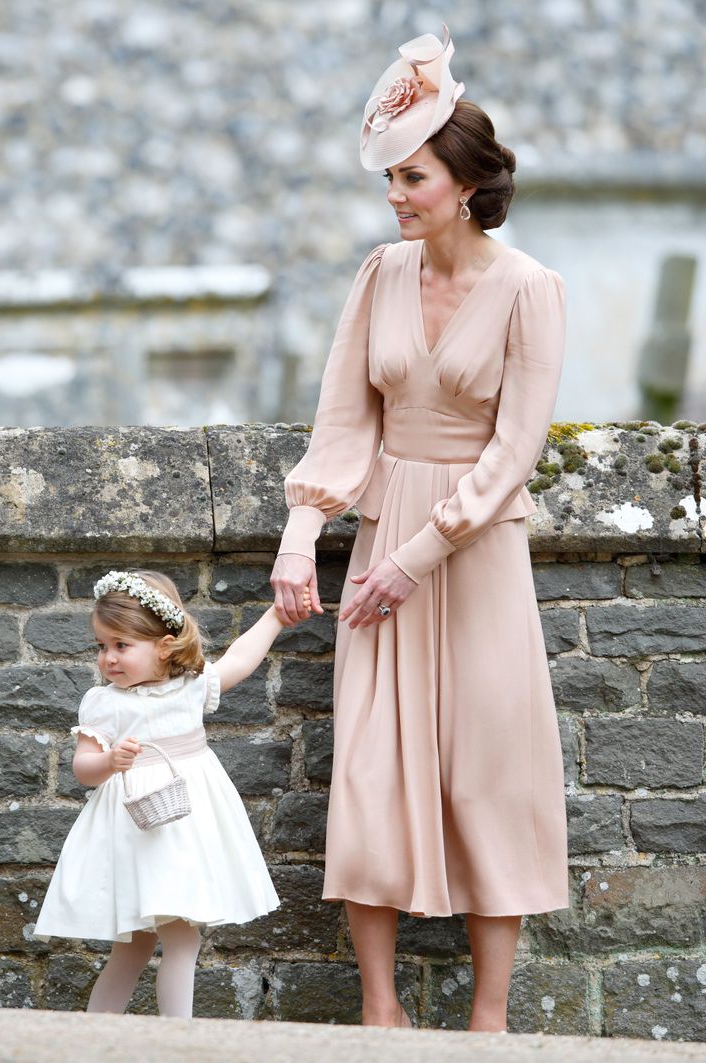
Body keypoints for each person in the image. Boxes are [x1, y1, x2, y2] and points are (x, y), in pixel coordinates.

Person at [270, 27, 569, 1032]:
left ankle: (489, 1020)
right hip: (385, 520)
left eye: (413, 177)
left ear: (468, 182)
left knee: (490, 760)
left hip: (473, 552)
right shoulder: (378, 275)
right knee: (372, 760)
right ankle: (380, 1010)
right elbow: (344, 419)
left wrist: (416, 553)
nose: (397, 196)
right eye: (392, 178)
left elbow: (515, 447)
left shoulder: (530, 288)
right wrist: (298, 536)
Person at [35, 569, 309, 1018]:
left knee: (181, 937)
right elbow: (84, 769)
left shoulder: (191, 686)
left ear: (164, 645)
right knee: (135, 946)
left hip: (185, 826)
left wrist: (277, 616)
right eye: (102, 646)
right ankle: (112, 1036)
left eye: (122, 646)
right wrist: (108, 762)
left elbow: (241, 658)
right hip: (133, 832)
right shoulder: (104, 702)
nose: (109, 659)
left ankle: (167, 1036)